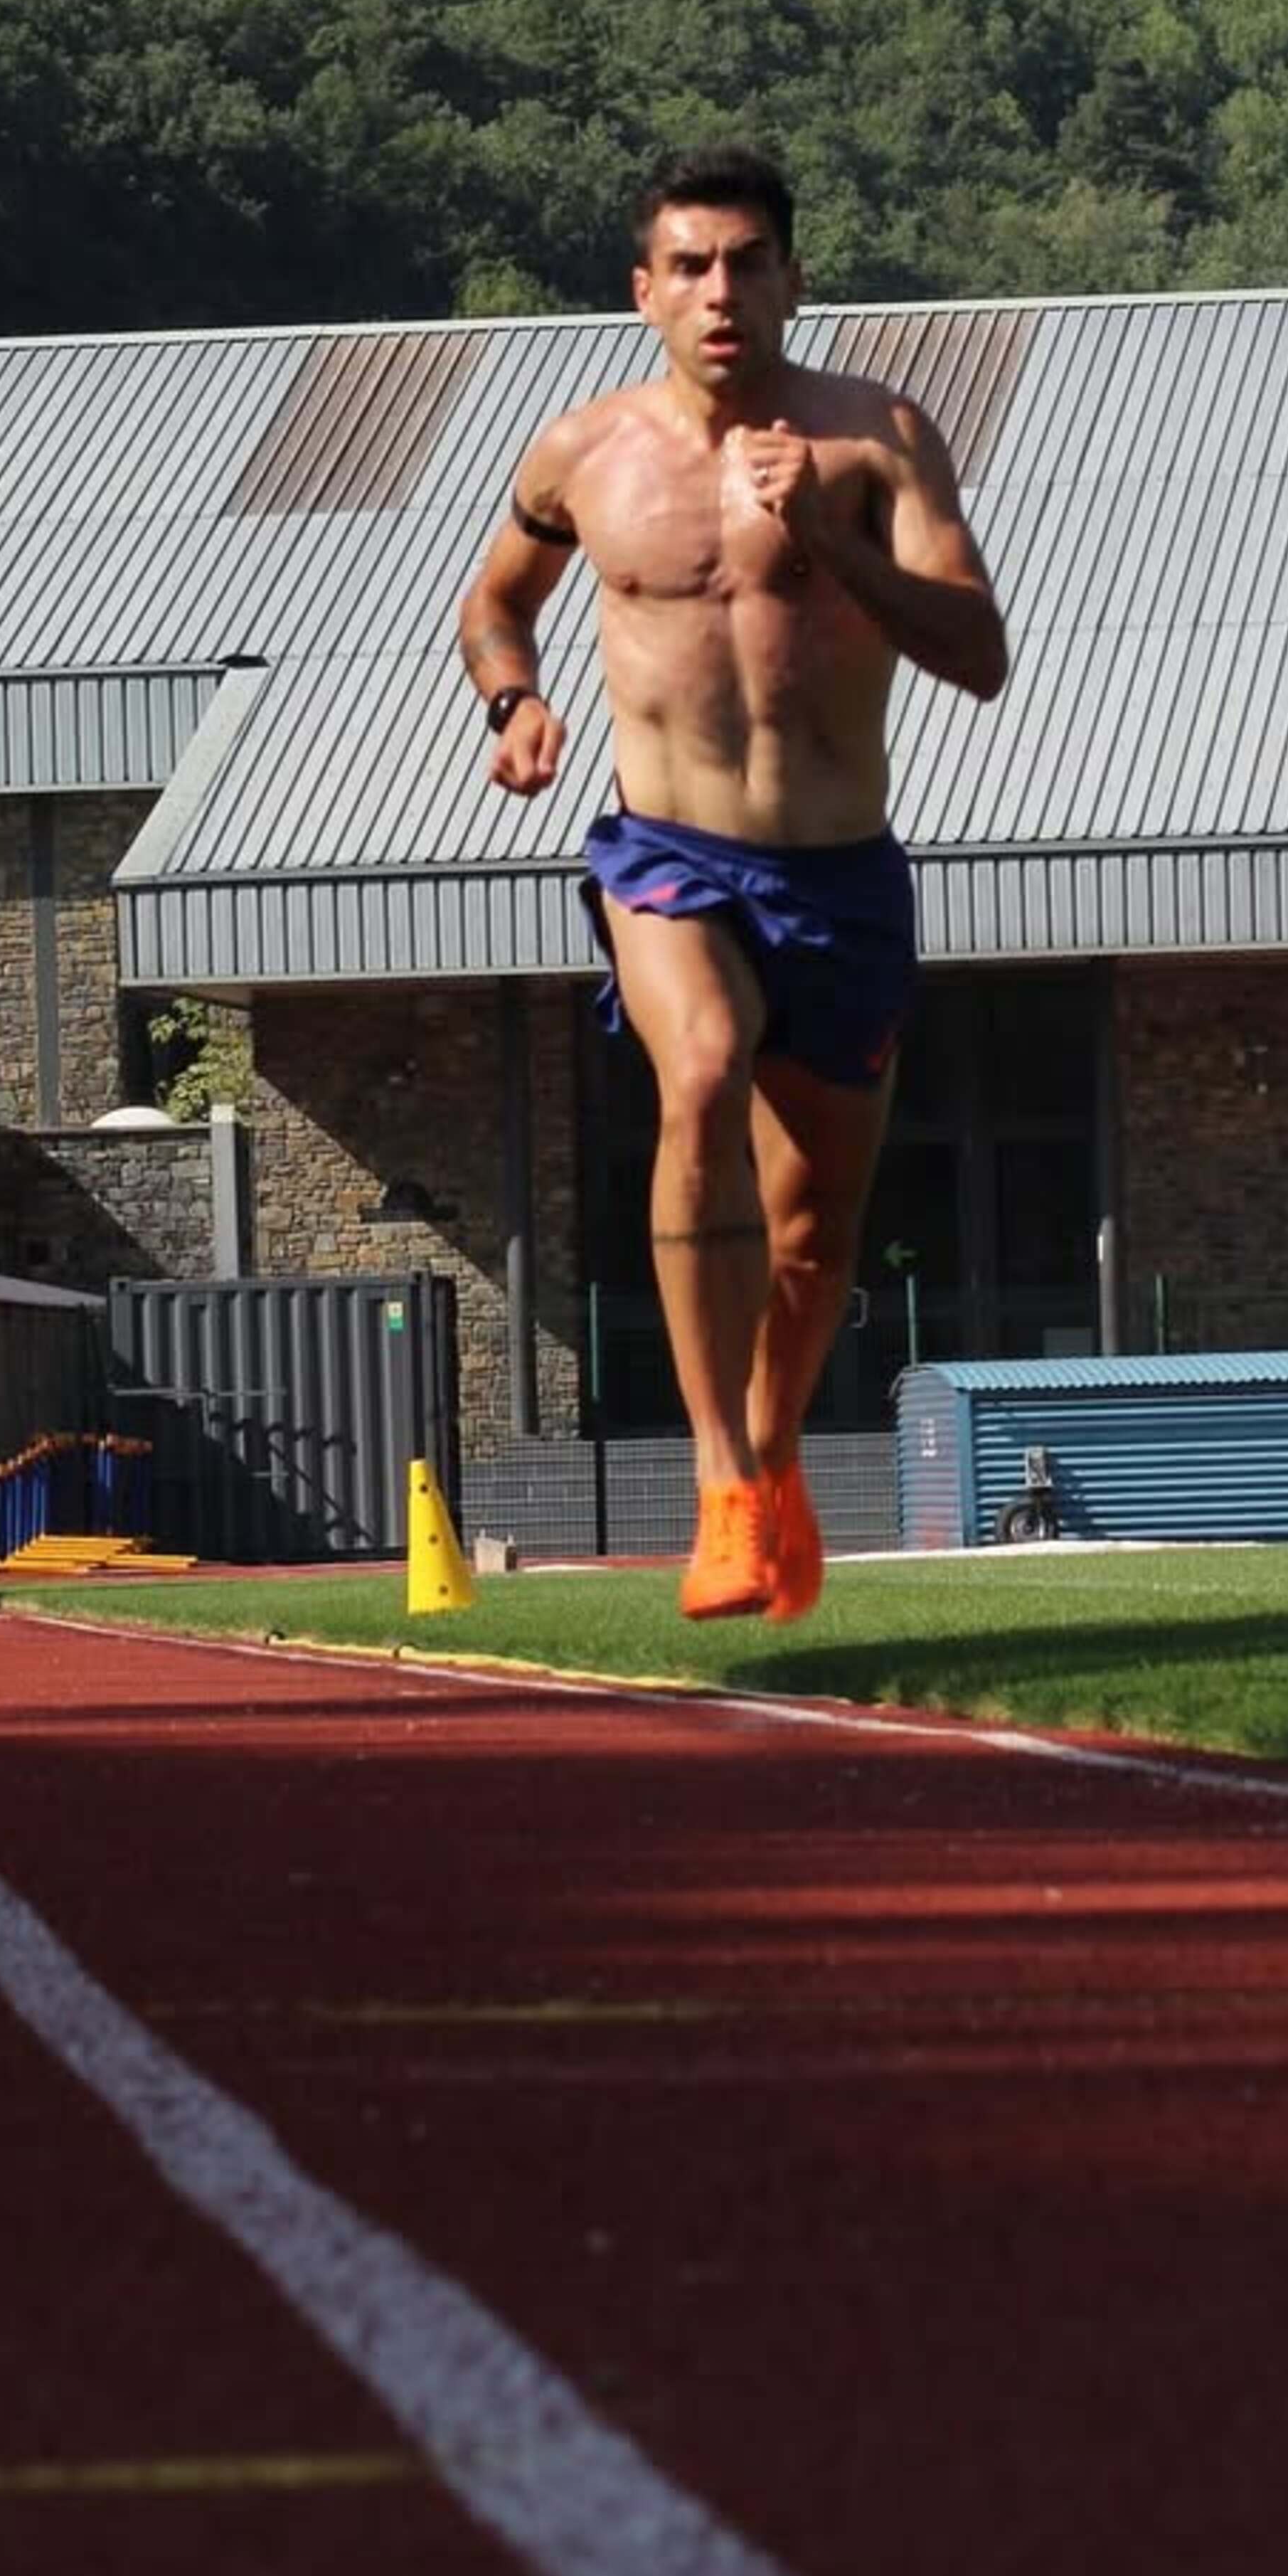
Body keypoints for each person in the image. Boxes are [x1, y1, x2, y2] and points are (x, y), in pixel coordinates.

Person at [457, 147, 1008, 1620]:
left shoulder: (880, 437)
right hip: (667, 852)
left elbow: (980, 656)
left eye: (747, 261)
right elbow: (494, 603)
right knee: (695, 1070)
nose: (720, 290)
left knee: (817, 1224)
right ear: (643, 291)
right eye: (689, 265)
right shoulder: (585, 454)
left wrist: (830, 539)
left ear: (793, 281)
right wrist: (511, 702)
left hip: (840, 872)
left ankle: (772, 1463)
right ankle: (713, 1480)